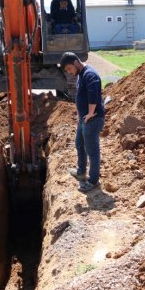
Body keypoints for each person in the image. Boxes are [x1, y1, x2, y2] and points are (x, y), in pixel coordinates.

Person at [60, 52, 105, 193]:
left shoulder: (89, 75)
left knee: (92, 150)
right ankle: (81, 171)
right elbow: (82, 96)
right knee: (79, 143)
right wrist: (81, 115)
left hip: (92, 119)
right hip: (84, 119)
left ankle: (93, 181)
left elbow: (93, 96)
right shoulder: (81, 74)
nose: (69, 72)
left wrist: (90, 114)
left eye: (69, 69)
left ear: (75, 63)